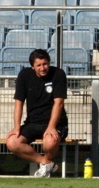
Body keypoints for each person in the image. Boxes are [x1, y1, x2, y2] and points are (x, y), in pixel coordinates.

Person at [6, 49, 68, 178]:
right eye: (39, 65)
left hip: (56, 123)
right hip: (33, 123)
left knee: (50, 143)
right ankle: (46, 163)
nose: (43, 68)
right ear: (32, 66)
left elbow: (59, 103)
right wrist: (17, 126)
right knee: (12, 142)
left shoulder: (58, 74)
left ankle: (45, 167)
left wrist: (51, 127)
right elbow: (19, 102)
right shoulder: (24, 75)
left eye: (45, 64)